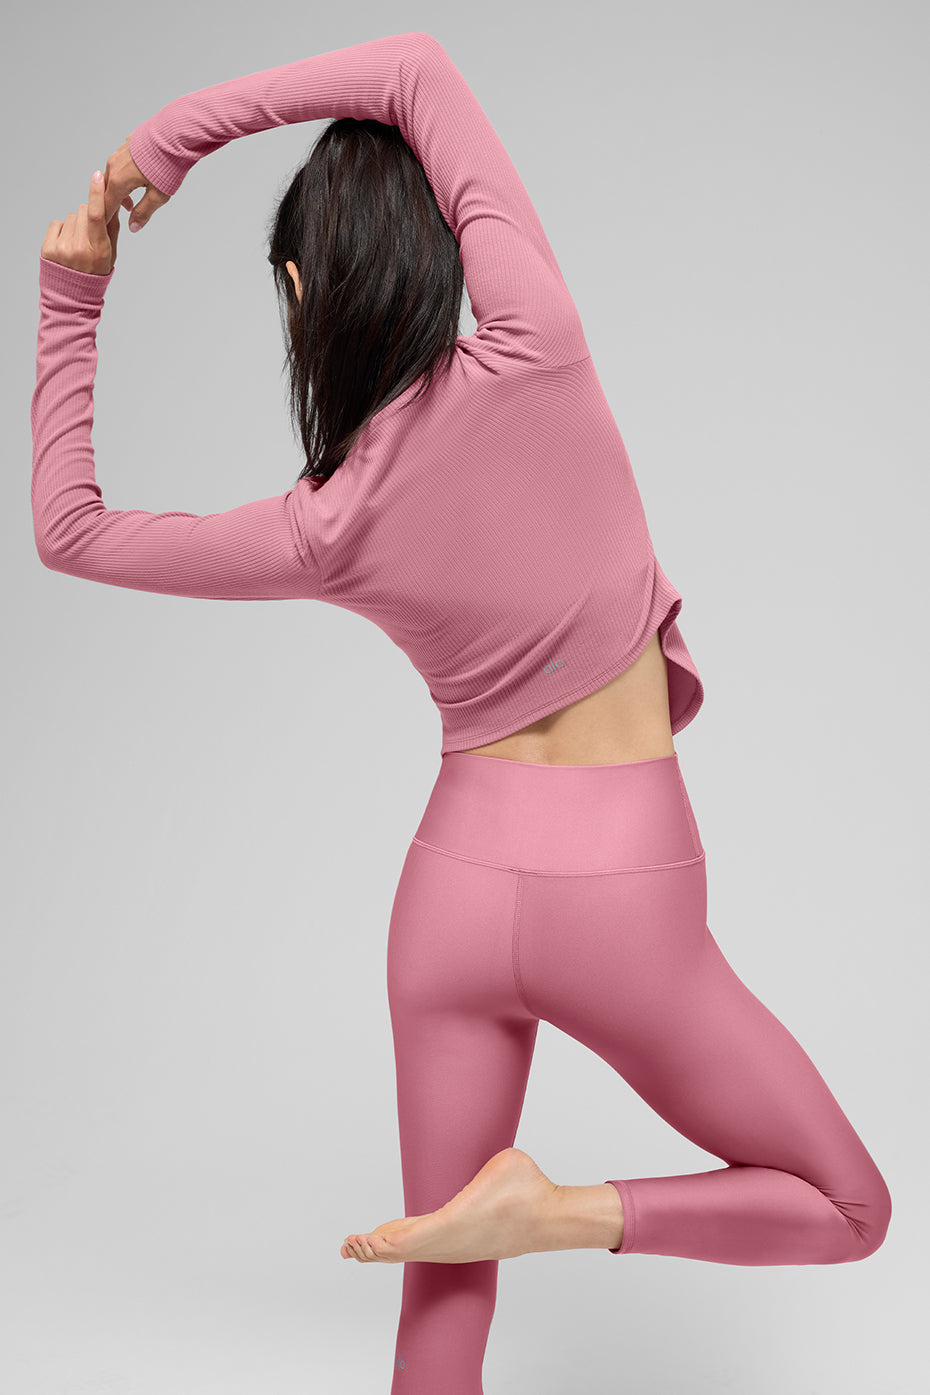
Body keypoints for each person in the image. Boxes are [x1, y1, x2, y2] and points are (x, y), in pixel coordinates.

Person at [32, 31, 891, 1395]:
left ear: (301, 290)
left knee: (439, 1310)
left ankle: (496, 1236)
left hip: (447, 901)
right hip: (621, 898)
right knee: (848, 1205)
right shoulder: (536, 345)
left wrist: (72, 288)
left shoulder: (324, 525)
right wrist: (169, 139)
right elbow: (414, 70)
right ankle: (554, 1214)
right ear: (446, 255)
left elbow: (69, 532)